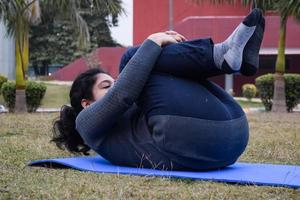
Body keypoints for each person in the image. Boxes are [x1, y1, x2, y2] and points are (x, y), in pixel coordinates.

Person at [52, 9, 265, 171]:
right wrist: (152, 42)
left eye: (114, 82)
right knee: (131, 60)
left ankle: (224, 56)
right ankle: (220, 56)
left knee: (145, 63)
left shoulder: (144, 108)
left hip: (232, 133)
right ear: (86, 104)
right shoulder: (86, 125)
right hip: (201, 142)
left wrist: (162, 52)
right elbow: (122, 95)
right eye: (106, 86)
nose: (116, 84)